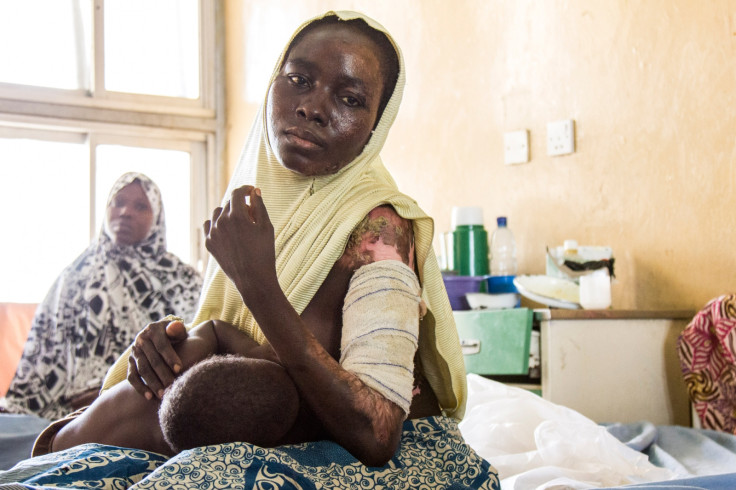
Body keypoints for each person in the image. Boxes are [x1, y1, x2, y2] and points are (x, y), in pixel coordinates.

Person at [40, 11, 469, 470]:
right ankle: (55, 448)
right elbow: (226, 345)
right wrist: (166, 341)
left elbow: (377, 432)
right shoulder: (251, 208)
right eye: (299, 80)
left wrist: (258, 283)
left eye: (349, 98)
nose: (313, 108)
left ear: (376, 126)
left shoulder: (378, 231)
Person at [0, 172, 203, 421]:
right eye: (117, 203)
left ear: (157, 218)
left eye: (140, 206)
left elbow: (197, 342)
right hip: (74, 410)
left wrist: (120, 387)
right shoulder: (75, 276)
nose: (125, 212)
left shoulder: (182, 280)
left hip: (156, 398)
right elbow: (42, 357)